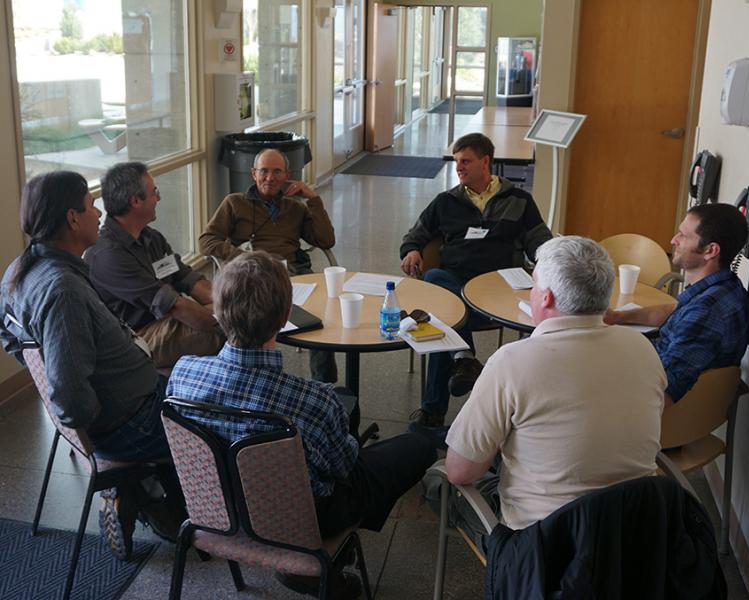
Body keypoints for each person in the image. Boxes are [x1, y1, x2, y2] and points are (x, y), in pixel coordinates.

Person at [167, 251, 437, 598]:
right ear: (284, 319)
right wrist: (343, 439)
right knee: (418, 444)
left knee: (342, 405)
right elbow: (345, 469)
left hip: (217, 511)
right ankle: (325, 563)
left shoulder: (183, 374)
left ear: (218, 313)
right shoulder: (313, 401)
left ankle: (327, 560)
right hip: (306, 522)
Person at [0, 171, 183, 561]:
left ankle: (142, 492)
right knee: (222, 417)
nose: (98, 213)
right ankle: (170, 501)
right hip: (130, 421)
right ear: (71, 218)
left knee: (191, 385)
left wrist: (41, 369)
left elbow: (9, 333)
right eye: (90, 205)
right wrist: (98, 423)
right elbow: (71, 395)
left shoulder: (20, 270)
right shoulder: (62, 289)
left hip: (129, 406)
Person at [443, 236, 666, 552]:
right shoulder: (643, 349)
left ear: (545, 298)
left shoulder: (512, 362)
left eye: (533, 286)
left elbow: (460, 471)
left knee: (439, 485)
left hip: (546, 549)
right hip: (632, 539)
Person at [400, 133, 553, 427]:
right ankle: (464, 357)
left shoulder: (519, 201)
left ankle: (435, 408)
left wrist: (549, 262)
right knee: (435, 280)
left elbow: (539, 241)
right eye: (457, 162)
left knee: (444, 323)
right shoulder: (445, 202)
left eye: (466, 161)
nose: (459, 168)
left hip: (500, 286)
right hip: (455, 278)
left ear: (486, 162)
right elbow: (414, 235)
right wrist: (412, 251)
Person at [199, 148, 338, 383]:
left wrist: (313, 200)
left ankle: (324, 384)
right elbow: (207, 240)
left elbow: (326, 240)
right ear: (253, 173)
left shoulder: (296, 208)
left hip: (293, 274)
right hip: (250, 275)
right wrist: (239, 256)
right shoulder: (234, 203)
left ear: (288, 175)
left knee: (320, 317)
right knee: (241, 316)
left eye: (277, 172)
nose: (270, 178)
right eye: (263, 171)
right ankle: (240, 377)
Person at [605, 203, 749, 406]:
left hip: (661, 409)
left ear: (710, 250)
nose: (674, 240)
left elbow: (663, 393)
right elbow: (675, 310)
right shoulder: (721, 286)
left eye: (683, 235)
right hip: (650, 367)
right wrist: (618, 317)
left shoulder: (706, 312)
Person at [84, 162, 225, 370]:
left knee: (242, 312)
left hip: (163, 319)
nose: (158, 198)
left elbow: (184, 278)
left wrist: (229, 299)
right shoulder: (108, 256)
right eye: (154, 193)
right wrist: (224, 324)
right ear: (135, 201)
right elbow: (171, 304)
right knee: (231, 331)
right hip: (134, 337)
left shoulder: (150, 237)